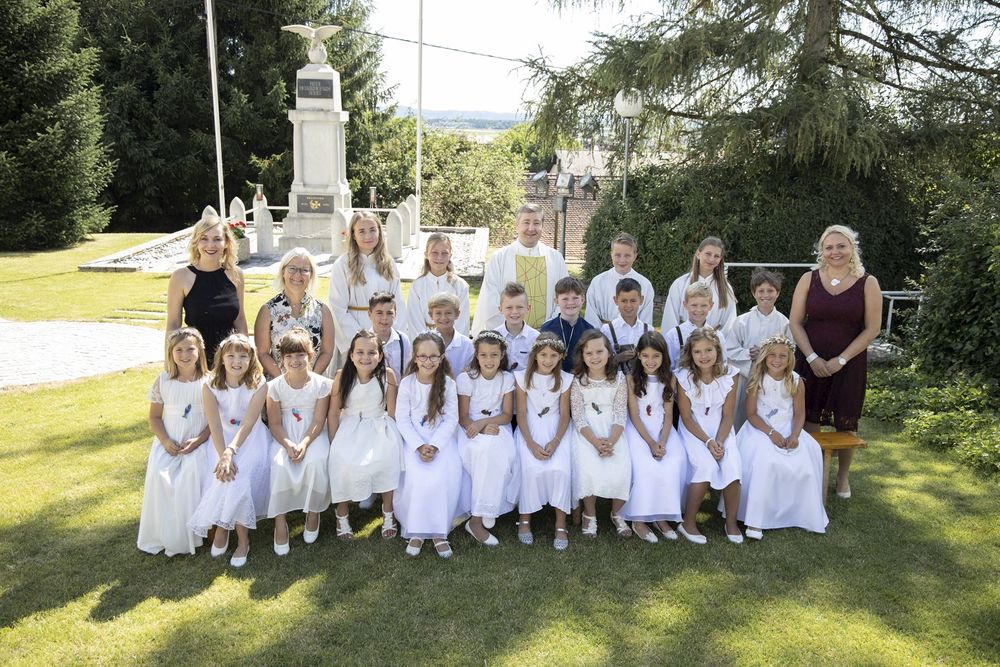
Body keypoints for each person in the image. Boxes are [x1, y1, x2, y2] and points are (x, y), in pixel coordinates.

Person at [789, 224, 882, 499]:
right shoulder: (809, 279)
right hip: (811, 360)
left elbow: (872, 328)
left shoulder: (868, 282)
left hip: (849, 363)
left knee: (846, 419)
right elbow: (795, 322)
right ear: (822, 251)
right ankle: (813, 471)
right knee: (809, 415)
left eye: (841, 246)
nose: (835, 252)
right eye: (828, 247)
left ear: (852, 247)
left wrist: (841, 359)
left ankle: (842, 476)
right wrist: (812, 357)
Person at [188, 333, 271, 568]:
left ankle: (242, 541)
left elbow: (249, 422)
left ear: (251, 359)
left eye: (243, 356)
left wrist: (230, 452)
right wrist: (222, 452)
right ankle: (223, 526)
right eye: (231, 356)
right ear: (221, 359)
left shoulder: (259, 384)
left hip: (250, 439)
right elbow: (214, 423)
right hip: (220, 439)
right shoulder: (210, 385)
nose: (237, 361)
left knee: (239, 477)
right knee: (222, 474)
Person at [736, 335, 828, 539]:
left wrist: (794, 435)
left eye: (782, 356)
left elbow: (799, 413)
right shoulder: (757, 379)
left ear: (789, 359)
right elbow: (751, 414)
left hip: (788, 427)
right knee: (765, 461)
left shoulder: (796, 380)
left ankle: (803, 514)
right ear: (764, 357)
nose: (777, 360)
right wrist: (771, 433)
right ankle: (756, 520)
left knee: (806, 455)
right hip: (760, 428)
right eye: (772, 355)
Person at [137, 328, 211, 556]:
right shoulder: (163, 381)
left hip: (199, 443)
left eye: (190, 349)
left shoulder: (209, 381)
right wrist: (165, 441)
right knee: (161, 475)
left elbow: (214, 421)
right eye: (179, 350)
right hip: (168, 444)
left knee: (192, 474)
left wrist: (198, 441)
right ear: (171, 353)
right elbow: (154, 417)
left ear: (199, 351)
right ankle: (165, 533)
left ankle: (196, 532)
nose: (185, 355)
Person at [327, 330, 403, 541]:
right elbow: (333, 412)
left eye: (372, 352)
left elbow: (393, 412)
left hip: (379, 425)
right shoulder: (342, 376)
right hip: (350, 426)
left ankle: (388, 512)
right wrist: (334, 441)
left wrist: (395, 435)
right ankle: (342, 514)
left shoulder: (387, 375)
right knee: (341, 460)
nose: (365, 357)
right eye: (360, 352)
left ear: (380, 355)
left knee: (388, 457)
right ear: (351, 355)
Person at [394, 332, 464, 559]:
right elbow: (402, 419)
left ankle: (438, 531)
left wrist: (434, 445)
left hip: (441, 441)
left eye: (433, 356)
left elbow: (451, 419)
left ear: (442, 357)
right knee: (417, 477)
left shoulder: (448, 384)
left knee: (439, 477)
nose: (428, 361)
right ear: (415, 358)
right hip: (414, 440)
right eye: (422, 356)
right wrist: (418, 446)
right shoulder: (407, 384)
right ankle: (416, 529)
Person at [265, 328, 332, 555]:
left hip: (312, 434)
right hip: (285, 435)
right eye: (289, 356)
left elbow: (319, 420)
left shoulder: (322, 385)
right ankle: (280, 521)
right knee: (278, 465)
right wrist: (288, 444)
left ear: (310, 356)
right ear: (282, 359)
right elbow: (274, 423)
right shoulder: (274, 387)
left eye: (300, 355)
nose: (295, 360)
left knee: (316, 461)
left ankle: (313, 512)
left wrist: (303, 443)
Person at [675, 328, 743, 544]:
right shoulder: (683, 377)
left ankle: (730, 522)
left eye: (708, 350)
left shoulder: (731, 375)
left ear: (717, 351)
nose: (703, 356)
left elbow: (728, 415)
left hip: (722, 429)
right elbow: (686, 417)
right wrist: (708, 441)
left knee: (732, 464)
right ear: (691, 354)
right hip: (694, 431)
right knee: (706, 466)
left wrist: (720, 441)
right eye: (697, 351)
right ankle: (688, 523)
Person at [619, 332, 686, 543]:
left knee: (674, 462)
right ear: (638, 355)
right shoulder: (631, 379)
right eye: (646, 355)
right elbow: (634, 415)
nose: (650, 361)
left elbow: (669, 414)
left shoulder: (670, 378)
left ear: (663, 356)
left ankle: (661, 516)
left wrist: (662, 442)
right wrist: (650, 443)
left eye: (656, 356)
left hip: (662, 429)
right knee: (646, 467)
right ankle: (639, 520)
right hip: (639, 430)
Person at [457, 330, 518, 546]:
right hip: (469, 428)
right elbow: (463, 416)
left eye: (494, 355)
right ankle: (477, 519)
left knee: (498, 452)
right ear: (477, 355)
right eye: (483, 355)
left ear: (502, 356)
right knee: (483, 452)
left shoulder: (506, 378)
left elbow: (507, 415)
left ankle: (487, 509)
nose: (489, 360)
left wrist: (485, 424)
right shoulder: (466, 378)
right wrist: (479, 428)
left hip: (498, 425)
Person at [514, 333, 574, 550]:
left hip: (557, 430)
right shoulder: (522, 378)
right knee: (530, 468)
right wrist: (531, 443)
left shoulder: (565, 379)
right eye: (543, 355)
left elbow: (565, 415)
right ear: (535, 355)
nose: (548, 360)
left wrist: (555, 441)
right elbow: (521, 414)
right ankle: (525, 519)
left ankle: (560, 523)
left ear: (560, 357)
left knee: (561, 470)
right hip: (529, 429)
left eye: (553, 356)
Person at [570, 330, 632, 539]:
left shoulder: (619, 379)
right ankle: (590, 513)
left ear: (609, 353)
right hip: (587, 432)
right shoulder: (578, 381)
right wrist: (596, 443)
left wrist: (611, 441)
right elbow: (578, 416)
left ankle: (617, 512)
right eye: (589, 353)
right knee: (588, 466)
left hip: (613, 430)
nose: (595, 357)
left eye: (599, 351)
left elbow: (620, 413)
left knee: (622, 464)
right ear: (582, 356)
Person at [166, 208, 247, 365]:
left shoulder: (236, 274)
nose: (211, 245)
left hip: (230, 363)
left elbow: (240, 319)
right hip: (195, 362)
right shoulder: (180, 277)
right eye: (204, 238)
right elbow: (173, 324)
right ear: (196, 242)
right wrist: (169, 366)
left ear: (226, 243)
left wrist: (247, 357)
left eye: (217, 239)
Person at [472, 203, 569, 333]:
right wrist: (508, 330)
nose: (531, 228)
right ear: (517, 225)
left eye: (536, 223)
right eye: (526, 222)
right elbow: (490, 299)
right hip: (508, 334)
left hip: (547, 334)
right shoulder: (500, 257)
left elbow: (564, 296)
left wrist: (550, 327)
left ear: (542, 226)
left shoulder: (555, 258)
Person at [329, 211, 408, 368]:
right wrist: (361, 340)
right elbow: (337, 308)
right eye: (362, 231)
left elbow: (398, 303)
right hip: (354, 332)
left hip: (385, 331)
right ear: (353, 235)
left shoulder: (388, 263)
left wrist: (390, 336)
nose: (368, 236)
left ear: (379, 232)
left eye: (372, 230)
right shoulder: (343, 264)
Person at [255, 248, 335, 378]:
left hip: (313, 383)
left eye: (304, 270)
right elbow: (262, 353)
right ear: (283, 272)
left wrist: (310, 380)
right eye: (292, 268)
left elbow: (327, 351)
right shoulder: (268, 310)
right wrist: (283, 381)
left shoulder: (322, 310)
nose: (298, 274)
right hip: (277, 382)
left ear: (311, 275)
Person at [727, 268, 791, 427]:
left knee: (769, 415)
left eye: (770, 290)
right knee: (742, 414)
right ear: (753, 293)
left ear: (778, 293)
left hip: (774, 378)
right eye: (761, 291)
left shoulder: (784, 323)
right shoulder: (742, 321)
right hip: (747, 376)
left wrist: (772, 356)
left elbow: (791, 350)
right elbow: (729, 349)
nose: (765, 295)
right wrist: (747, 353)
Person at [660, 236, 737, 334]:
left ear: (720, 260)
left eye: (716, 256)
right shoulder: (680, 284)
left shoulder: (725, 289)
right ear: (698, 254)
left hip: (714, 340)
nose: (711, 259)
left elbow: (729, 324)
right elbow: (670, 319)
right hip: (684, 339)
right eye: (708, 254)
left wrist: (716, 342)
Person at [405, 232, 471, 339]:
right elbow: (414, 321)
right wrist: (425, 345)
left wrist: (452, 343)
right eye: (434, 252)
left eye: (444, 253)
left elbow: (462, 322)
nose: (439, 257)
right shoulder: (417, 286)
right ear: (426, 254)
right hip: (425, 343)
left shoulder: (460, 286)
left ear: (450, 255)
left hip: (452, 343)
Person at [584, 233, 655, 327]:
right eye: (617, 255)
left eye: (627, 255)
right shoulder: (598, 282)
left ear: (635, 256)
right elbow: (591, 317)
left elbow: (645, 322)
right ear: (611, 254)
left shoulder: (645, 285)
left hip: (634, 334)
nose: (622, 260)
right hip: (602, 333)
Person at [666, 283, 730, 373]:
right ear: (685, 304)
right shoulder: (674, 335)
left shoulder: (717, 336)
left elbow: (723, 363)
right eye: (694, 305)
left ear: (711, 306)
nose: (699, 310)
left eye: (704, 305)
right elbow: (668, 367)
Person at [539, 276, 594, 372]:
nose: (570, 303)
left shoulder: (589, 330)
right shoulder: (546, 328)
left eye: (575, 298)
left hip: (580, 376)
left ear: (583, 299)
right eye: (565, 299)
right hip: (553, 376)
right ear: (556, 301)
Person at [600, 278, 650, 375]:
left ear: (641, 300)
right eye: (624, 301)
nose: (628, 305)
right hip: (614, 380)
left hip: (640, 381)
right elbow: (599, 360)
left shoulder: (648, 330)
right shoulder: (607, 330)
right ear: (615, 300)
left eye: (633, 301)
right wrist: (617, 358)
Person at [427, 292, 474, 379]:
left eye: (448, 313)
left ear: (457, 314)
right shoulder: (424, 342)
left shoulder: (467, 345)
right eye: (438, 313)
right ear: (431, 315)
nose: (443, 318)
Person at [496, 282, 539, 372]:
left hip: (526, 380)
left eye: (519, 307)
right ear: (500, 309)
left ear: (528, 308)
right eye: (509, 307)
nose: (514, 312)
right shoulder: (494, 336)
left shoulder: (536, 338)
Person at [368, 291, 411, 382]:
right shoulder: (363, 341)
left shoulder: (403, 340)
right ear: (369, 314)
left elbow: (407, 371)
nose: (384, 318)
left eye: (389, 313)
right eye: (379, 313)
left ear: (395, 314)